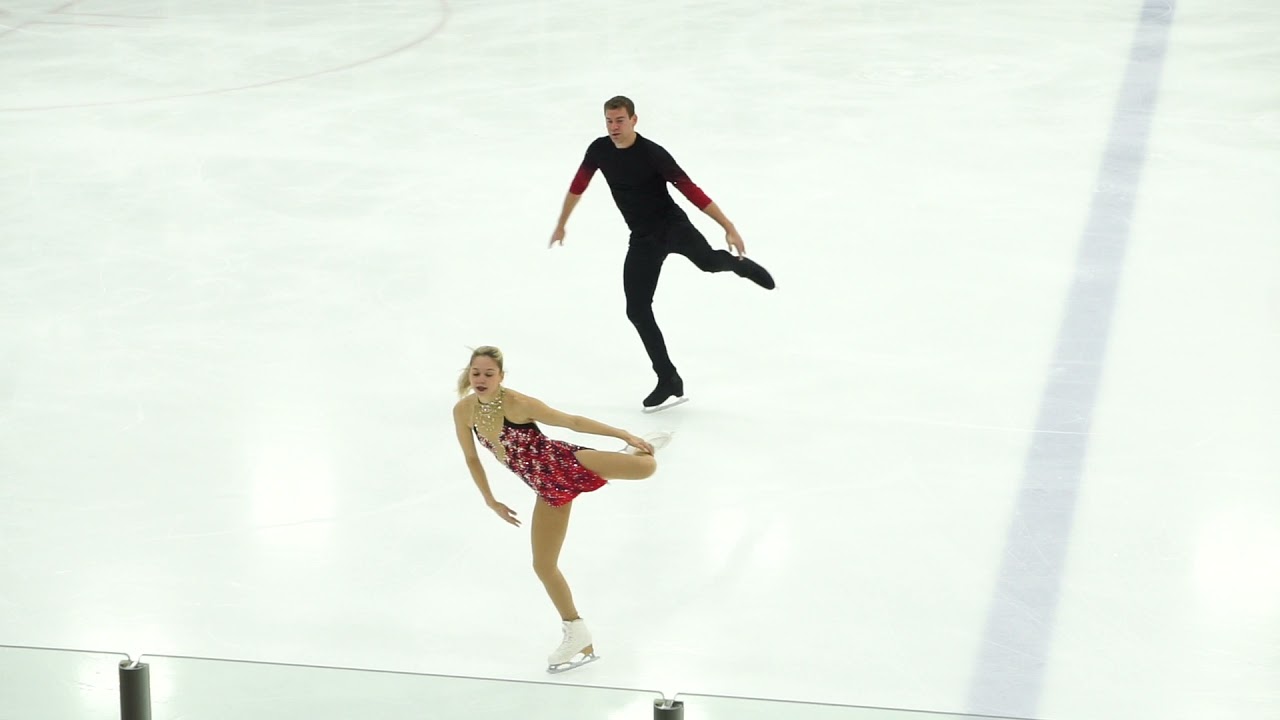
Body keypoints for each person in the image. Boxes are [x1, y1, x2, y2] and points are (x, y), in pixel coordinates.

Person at [549, 95, 776, 412]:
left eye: (620, 120)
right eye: (609, 121)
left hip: (674, 227)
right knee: (637, 309)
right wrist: (562, 224)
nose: (614, 127)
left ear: (634, 120)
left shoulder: (652, 154)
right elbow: (578, 185)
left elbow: (690, 189)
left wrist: (728, 225)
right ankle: (668, 378)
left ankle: (739, 266)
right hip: (642, 239)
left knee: (710, 264)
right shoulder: (598, 150)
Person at [452, 345, 670, 673]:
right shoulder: (463, 411)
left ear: (501, 376)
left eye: (488, 373)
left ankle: (631, 452)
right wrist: (490, 499)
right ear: (469, 373)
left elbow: (572, 421)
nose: (481, 379)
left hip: (565, 461)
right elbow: (471, 458)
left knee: (648, 468)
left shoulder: (518, 403)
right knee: (543, 565)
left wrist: (622, 432)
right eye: (476, 372)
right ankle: (576, 631)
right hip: (547, 488)